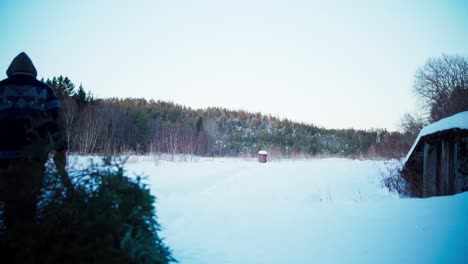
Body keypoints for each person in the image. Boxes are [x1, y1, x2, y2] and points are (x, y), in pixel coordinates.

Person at [0, 52, 72, 231]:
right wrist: (60, 148)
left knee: (9, 203)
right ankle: (29, 242)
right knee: (29, 203)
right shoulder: (45, 91)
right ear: (33, 71)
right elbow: (55, 123)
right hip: (34, 159)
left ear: (11, 70)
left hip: (3, 161)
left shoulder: (1, 89)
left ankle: (12, 241)